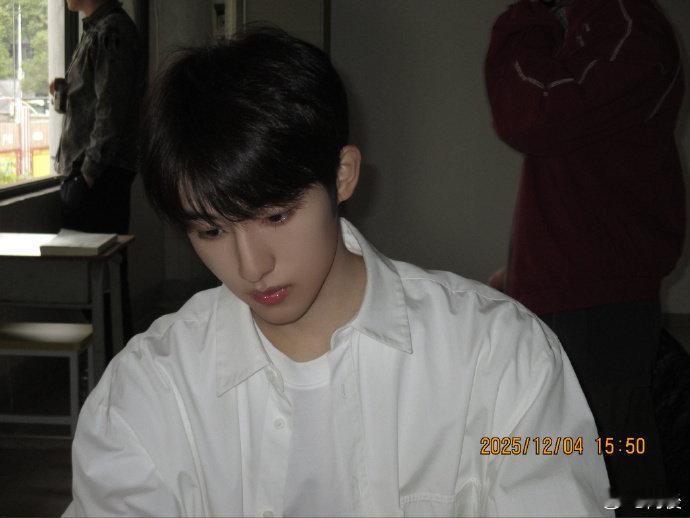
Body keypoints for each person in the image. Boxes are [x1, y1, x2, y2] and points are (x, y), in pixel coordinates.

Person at [65, 28, 611, 516]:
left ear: (343, 175)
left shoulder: (498, 356)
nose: (252, 266)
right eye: (210, 231)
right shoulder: (150, 391)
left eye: (276, 216)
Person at [485, 0, 685, 509]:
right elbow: (582, 169)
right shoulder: (601, 26)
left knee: (603, 463)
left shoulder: (626, 24)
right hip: (579, 294)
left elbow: (531, 112)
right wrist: (527, 273)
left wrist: (527, 13)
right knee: (585, 455)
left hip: (594, 301)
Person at [51, 0, 145, 343]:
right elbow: (94, 105)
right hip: (91, 173)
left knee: (101, 283)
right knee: (95, 282)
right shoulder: (96, 31)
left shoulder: (111, 32)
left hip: (98, 176)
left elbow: (111, 111)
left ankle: (111, 358)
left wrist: (87, 175)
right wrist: (65, 95)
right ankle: (108, 358)